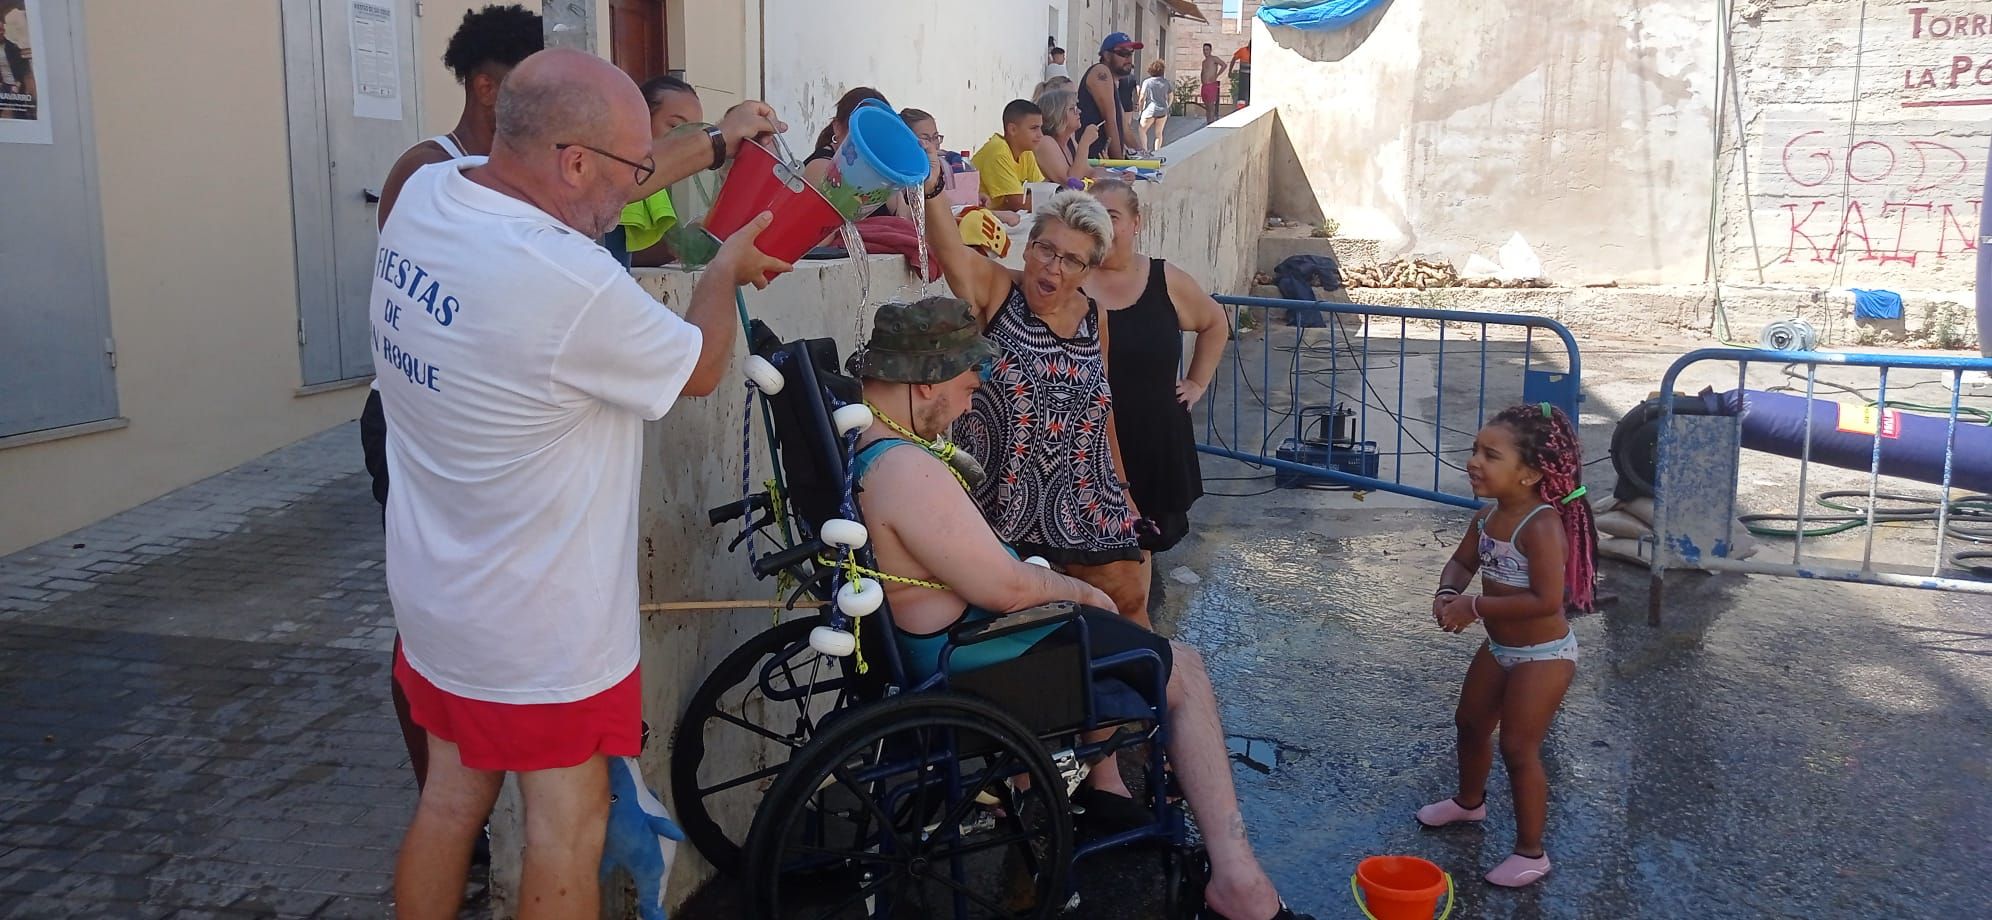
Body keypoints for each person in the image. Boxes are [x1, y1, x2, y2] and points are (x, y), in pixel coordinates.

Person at [374, 48, 791, 920]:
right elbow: (703, 367)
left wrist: (714, 144)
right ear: (571, 162)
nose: (636, 187)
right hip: (543, 632)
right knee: (567, 828)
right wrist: (721, 273)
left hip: (436, 597)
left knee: (450, 803)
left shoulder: (430, 195)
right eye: (631, 169)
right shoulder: (568, 280)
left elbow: (566, 208)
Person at [845, 296, 1313, 920]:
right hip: (974, 661)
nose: (970, 399)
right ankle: (1238, 883)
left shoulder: (871, 443)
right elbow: (1008, 591)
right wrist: (1084, 594)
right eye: (965, 385)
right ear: (925, 381)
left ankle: (1107, 790)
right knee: (1183, 670)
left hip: (957, 640)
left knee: (1122, 626)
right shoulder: (907, 469)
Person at [361, 2, 543, 806]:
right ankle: (438, 791)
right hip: (412, 416)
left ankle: (471, 788)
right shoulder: (428, 170)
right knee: (427, 615)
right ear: (483, 86)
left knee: (483, 609)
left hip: (481, 417)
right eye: (526, 89)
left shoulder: (520, 168)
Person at [920, 180, 1153, 627]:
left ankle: (1144, 693)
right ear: (1027, 249)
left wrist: (1124, 495)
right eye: (1046, 250)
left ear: (1088, 271)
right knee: (1021, 629)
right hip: (1003, 502)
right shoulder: (995, 291)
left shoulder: (1093, 318)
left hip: (1086, 499)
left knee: (1127, 604)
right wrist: (932, 190)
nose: (1053, 268)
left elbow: (1100, 408)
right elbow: (950, 251)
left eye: (1071, 260)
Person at [1417, 403, 1597, 888]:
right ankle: (1469, 804)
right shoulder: (1487, 517)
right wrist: (1448, 592)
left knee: (1519, 747)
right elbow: (1460, 564)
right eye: (1475, 449)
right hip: (1500, 649)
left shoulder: (1540, 525)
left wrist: (1474, 608)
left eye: (1491, 455)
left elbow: (1546, 600)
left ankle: (1531, 852)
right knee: (1471, 724)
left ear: (1530, 473)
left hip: (1544, 656)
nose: (1475, 460)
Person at [1085, 179, 1222, 557]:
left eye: (1112, 216)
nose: (1103, 227)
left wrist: (1196, 382)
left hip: (1154, 440)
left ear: (1135, 223)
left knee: (1148, 543)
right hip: (1090, 444)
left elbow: (1215, 323)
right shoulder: (1073, 278)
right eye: (1094, 216)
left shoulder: (1165, 279)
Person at [619, 75, 705, 268]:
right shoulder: (624, 173)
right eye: (674, 126)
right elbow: (623, 249)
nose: (684, 138)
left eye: (694, 131)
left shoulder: (661, 178)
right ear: (640, 119)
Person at [969, 99, 1046, 214]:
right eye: (1034, 128)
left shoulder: (1026, 150)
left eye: (1040, 128)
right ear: (1013, 129)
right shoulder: (998, 152)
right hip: (977, 219)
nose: (1040, 135)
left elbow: (1041, 189)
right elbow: (1019, 204)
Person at [801, 86, 889, 187]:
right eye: (863, 130)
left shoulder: (852, 170)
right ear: (838, 128)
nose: (870, 142)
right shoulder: (821, 167)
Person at [1079, 31, 1141, 160]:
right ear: (1106, 55)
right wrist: (1118, 163)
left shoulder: (1112, 82)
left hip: (1101, 160)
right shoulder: (1101, 72)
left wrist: (1142, 154)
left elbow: (1123, 127)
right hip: (1093, 160)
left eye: (1131, 53)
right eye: (1123, 53)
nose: (1128, 58)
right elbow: (1110, 120)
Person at [1029, 87, 1097, 187]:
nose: (1079, 111)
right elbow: (1071, 183)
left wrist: (1119, 177)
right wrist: (1085, 143)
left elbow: (1087, 170)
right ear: (1057, 113)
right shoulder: (1045, 142)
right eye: (1072, 108)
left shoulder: (1070, 139)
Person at [0, 11, 33, 120]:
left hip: (16, 84)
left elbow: (21, 68)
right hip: (5, 85)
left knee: (19, 113)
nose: (1, 32)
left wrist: (17, 84)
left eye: (2, 30)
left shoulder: (12, 47)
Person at [1137, 59, 1171, 152]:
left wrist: (1140, 110)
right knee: (1159, 133)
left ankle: (1145, 149)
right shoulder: (1166, 82)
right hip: (1163, 110)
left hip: (1150, 109)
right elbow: (1171, 96)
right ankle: (1157, 151)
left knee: (1142, 129)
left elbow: (1142, 97)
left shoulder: (1147, 82)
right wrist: (1168, 106)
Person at [1198, 42, 1229, 123]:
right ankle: (1208, 122)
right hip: (1204, 86)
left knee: (1211, 107)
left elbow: (1224, 65)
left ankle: (1211, 123)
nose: (1205, 51)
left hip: (1211, 85)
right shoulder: (1204, 62)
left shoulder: (1214, 59)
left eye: (1207, 50)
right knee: (1207, 107)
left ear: (1210, 50)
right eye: (1204, 50)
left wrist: (1217, 75)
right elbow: (1203, 71)